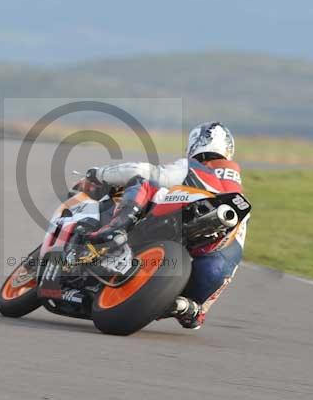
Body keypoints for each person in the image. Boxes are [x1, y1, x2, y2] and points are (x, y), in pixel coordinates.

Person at [79, 122, 249, 330]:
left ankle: (116, 229)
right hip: (215, 268)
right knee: (197, 310)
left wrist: (100, 174)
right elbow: (232, 261)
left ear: (196, 143)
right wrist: (201, 308)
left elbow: (141, 170)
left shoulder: (196, 168)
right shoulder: (239, 194)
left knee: (144, 181)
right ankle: (188, 307)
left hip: (179, 235)